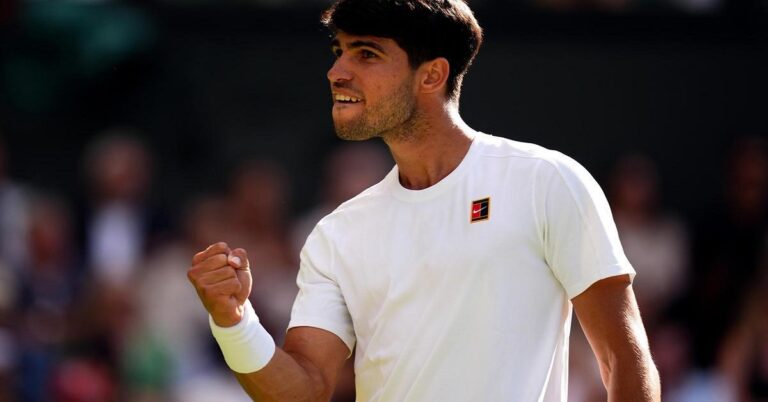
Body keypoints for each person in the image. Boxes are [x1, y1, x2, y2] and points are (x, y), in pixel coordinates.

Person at [187, 1, 661, 401]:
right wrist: (233, 321)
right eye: (339, 51)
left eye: (366, 54)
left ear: (431, 75)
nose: (337, 71)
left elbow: (623, 358)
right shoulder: (336, 234)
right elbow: (304, 388)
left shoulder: (547, 181)